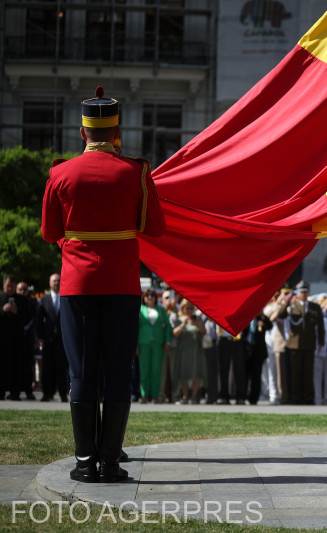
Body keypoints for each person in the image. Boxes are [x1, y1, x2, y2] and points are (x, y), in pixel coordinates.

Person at [40, 86, 165, 482]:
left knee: (81, 372)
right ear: (117, 133)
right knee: (117, 371)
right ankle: (110, 462)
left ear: (82, 133)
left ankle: (83, 462)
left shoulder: (60, 173)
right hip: (122, 286)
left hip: (76, 285)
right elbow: (154, 227)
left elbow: (49, 232)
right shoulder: (136, 172)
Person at [277, 280, 325, 404]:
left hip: (309, 344)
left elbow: (320, 326)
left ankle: (308, 398)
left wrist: (321, 342)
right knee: (295, 374)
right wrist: (287, 301)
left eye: (305, 292)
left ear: (308, 293)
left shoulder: (315, 307)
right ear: (297, 293)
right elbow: (280, 315)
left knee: (308, 373)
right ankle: (295, 398)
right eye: (301, 292)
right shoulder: (291, 306)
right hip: (294, 345)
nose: (303, 294)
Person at [1, 274, 35, 401]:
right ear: (4, 285)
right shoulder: (1, 298)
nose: (10, 288)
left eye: (12, 286)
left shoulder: (21, 300)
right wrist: (3, 310)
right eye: (7, 286)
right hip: (2, 340)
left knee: (16, 367)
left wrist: (17, 312)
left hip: (17, 340)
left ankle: (15, 392)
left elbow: (27, 317)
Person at [35, 273, 69, 402]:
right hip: (48, 340)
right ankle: (47, 393)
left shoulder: (65, 299)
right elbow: (38, 321)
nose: (56, 283)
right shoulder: (44, 300)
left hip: (62, 340)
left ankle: (62, 394)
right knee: (47, 368)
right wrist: (38, 337)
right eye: (54, 281)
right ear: (50, 283)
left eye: (58, 281)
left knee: (61, 368)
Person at [137, 288, 171, 403]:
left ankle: (155, 395)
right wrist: (135, 345)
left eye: (152, 295)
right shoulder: (140, 310)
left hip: (158, 343)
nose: (150, 297)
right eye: (147, 295)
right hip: (144, 343)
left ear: (156, 298)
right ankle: (144, 395)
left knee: (156, 369)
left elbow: (168, 327)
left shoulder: (161, 310)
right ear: (144, 298)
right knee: (144, 369)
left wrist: (168, 341)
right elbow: (135, 328)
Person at [172, 299, 206, 404]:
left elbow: (204, 332)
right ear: (183, 309)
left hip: (196, 351)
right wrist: (183, 324)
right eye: (188, 308)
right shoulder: (179, 319)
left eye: (192, 308)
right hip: (183, 351)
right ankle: (185, 396)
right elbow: (175, 334)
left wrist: (197, 324)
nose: (190, 310)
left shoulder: (198, 319)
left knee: (196, 373)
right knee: (184, 373)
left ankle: (194, 397)